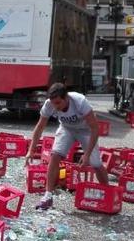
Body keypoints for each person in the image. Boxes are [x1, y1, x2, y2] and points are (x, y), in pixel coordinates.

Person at [25, 83, 108, 211]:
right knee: (55, 156)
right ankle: (48, 196)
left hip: (85, 130)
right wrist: (31, 150)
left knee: (95, 163)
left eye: (58, 103)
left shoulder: (80, 101)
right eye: (53, 104)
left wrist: (86, 155)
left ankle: (107, 192)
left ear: (66, 98)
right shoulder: (49, 104)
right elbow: (40, 126)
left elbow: (95, 128)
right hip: (67, 128)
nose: (56, 107)